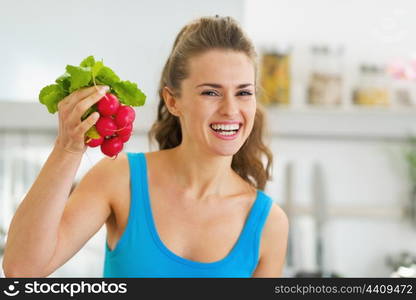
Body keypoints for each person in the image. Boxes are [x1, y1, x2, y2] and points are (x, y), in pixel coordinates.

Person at [2, 15, 288, 278]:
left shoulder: (268, 224)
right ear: (173, 101)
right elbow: (22, 269)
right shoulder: (119, 178)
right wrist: (68, 148)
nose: (230, 109)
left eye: (244, 93)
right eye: (210, 92)